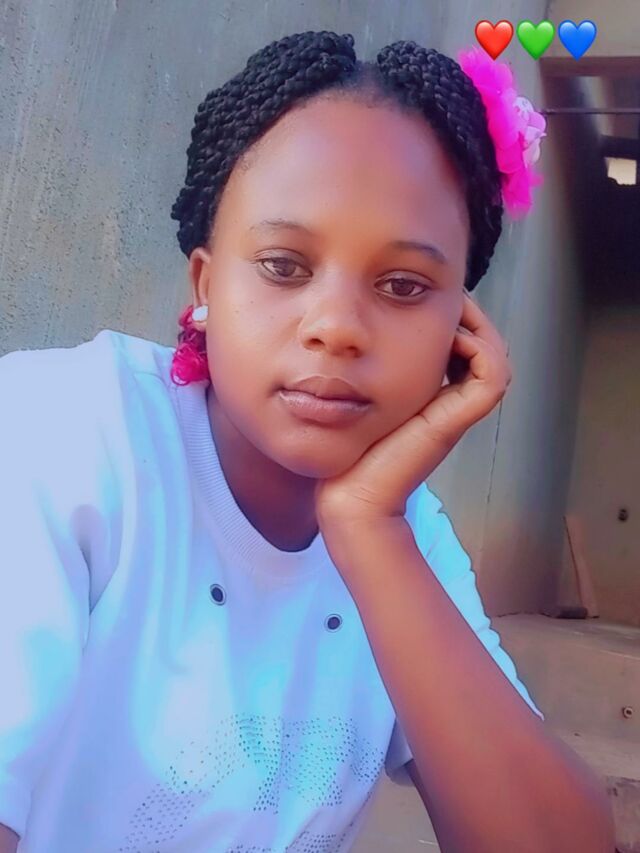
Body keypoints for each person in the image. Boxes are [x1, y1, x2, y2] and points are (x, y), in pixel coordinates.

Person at [0, 30, 614, 853]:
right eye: (284, 266)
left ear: (462, 332)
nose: (336, 326)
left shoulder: (413, 534)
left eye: (404, 285)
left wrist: (368, 527)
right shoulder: (66, 433)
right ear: (206, 284)